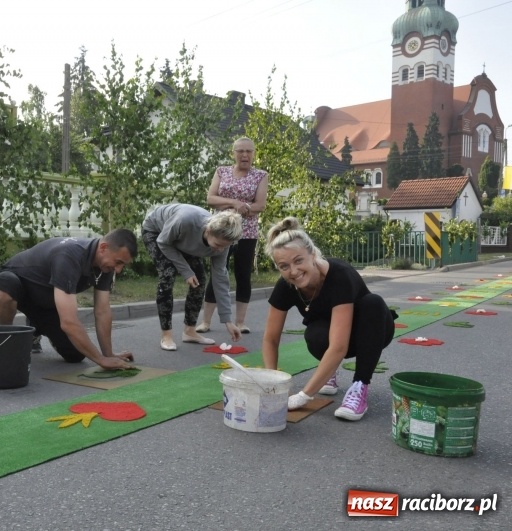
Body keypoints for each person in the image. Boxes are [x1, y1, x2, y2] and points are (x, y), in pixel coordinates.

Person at [261, 217, 397, 421]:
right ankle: (328, 372)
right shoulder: (285, 286)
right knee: (314, 334)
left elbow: (339, 347)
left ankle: (359, 386)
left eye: (298, 260)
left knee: (373, 302)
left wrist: (304, 395)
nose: (294, 271)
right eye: (284, 266)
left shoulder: (339, 276)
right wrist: (274, 385)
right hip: (333, 337)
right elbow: (270, 339)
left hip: (370, 334)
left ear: (312, 254)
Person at [0, 229, 138, 369]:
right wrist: (101, 360)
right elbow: (69, 321)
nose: (118, 270)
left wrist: (108, 355)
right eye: (118, 262)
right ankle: (6, 341)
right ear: (104, 247)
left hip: (46, 302)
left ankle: (34, 328)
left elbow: (102, 311)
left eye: (123, 265)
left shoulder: (105, 265)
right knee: (5, 288)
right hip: (18, 285)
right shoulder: (71, 255)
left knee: (76, 355)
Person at [141, 204, 243, 351]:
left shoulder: (223, 245)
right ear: (208, 230)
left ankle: (189, 331)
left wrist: (228, 321)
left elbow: (220, 278)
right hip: (156, 232)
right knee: (167, 274)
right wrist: (186, 271)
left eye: (224, 247)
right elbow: (163, 242)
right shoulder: (185, 221)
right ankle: (167, 335)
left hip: (182, 239)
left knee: (199, 280)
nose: (220, 250)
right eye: (218, 244)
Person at [196, 137, 269, 335]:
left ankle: (240, 322)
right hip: (220, 231)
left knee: (242, 274)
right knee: (217, 272)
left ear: (253, 154)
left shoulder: (261, 175)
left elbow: (260, 206)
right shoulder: (222, 171)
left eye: (249, 151)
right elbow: (211, 198)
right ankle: (206, 321)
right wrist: (236, 203)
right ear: (233, 153)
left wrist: (236, 207)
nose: (244, 155)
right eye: (240, 151)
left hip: (247, 232)